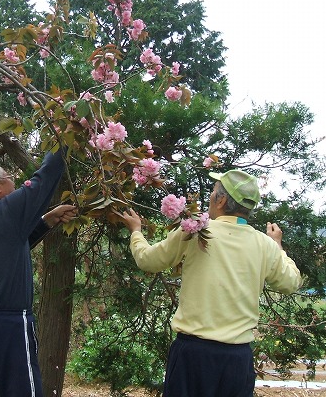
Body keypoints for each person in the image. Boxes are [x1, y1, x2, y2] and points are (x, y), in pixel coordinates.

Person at [120, 169, 302, 397]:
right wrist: (277, 245)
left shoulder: (196, 229)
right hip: (237, 360)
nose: (210, 196)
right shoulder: (264, 244)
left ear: (222, 200)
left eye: (214, 191)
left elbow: (148, 260)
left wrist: (136, 232)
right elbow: (290, 282)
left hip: (193, 356)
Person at [0, 148, 77, 397]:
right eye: (8, 176)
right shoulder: (7, 211)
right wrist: (63, 139)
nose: (14, 180)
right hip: (7, 329)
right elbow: (44, 179)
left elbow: (9, 246)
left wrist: (47, 220)